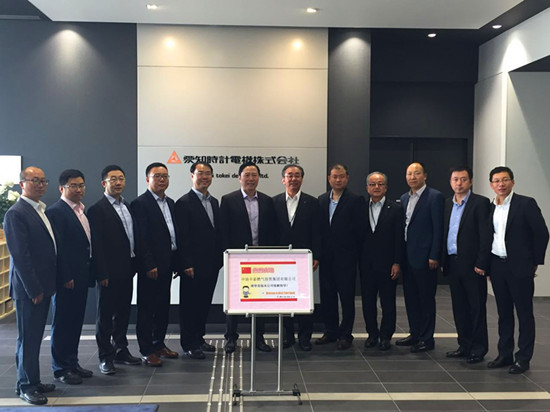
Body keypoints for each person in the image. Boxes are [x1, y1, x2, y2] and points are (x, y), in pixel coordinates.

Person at [486, 166, 549, 374]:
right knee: (503, 313)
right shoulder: (490, 207)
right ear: (491, 185)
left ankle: (523, 358)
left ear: (512, 182)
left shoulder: (525, 203)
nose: (501, 184)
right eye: (496, 181)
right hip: (497, 265)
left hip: (520, 267)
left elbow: (541, 233)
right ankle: (504, 354)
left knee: (524, 313)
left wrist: (534, 262)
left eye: (505, 180)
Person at [3, 167, 57, 405]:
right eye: (35, 180)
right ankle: (26, 386)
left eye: (43, 181)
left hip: (42, 286)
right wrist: (33, 288)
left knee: (34, 337)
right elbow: (21, 256)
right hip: (29, 290)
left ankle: (32, 380)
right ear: (22, 184)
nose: (40, 185)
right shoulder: (16, 213)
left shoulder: (39, 209)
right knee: (28, 339)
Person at [87, 165, 141, 375]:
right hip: (108, 273)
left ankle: (121, 350)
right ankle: (105, 356)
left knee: (123, 312)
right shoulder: (97, 209)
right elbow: (97, 245)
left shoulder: (127, 205)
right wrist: (101, 273)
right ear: (104, 183)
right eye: (113, 179)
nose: (118, 183)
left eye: (121, 178)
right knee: (105, 316)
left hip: (127, 269)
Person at [220, 161, 278, 353]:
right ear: (239, 178)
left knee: (260, 299)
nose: (251, 179)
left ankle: (259, 338)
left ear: (258, 178)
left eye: (254, 175)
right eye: (247, 175)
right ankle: (231, 338)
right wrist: (227, 255)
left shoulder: (267, 201)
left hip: (261, 258)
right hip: (236, 258)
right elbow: (224, 231)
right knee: (234, 298)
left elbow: (271, 230)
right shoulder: (228, 200)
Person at [46, 169, 94, 385]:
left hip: (81, 275)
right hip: (67, 278)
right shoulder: (56, 212)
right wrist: (65, 275)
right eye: (73, 186)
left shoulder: (80, 210)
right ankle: (61, 368)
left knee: (75, 322)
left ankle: (72, 362)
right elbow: (58, 248)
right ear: (61, 188)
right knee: (63, 323)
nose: (78, 189)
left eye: (81, 185)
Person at [131, 162, 179, 366]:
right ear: (147, 179)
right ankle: (146, 349)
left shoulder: (171, 203)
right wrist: (148, 264)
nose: (161, 180)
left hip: (168, 263)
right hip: (150, 267)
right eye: (157, 176)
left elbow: (173, 235)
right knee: (147, 308)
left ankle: (158, 344)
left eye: (165, 176)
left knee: (162, 307)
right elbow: (141, 238)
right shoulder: (140, 204)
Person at [442, 167, 491, 364]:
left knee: (476, 307)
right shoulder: (447, 203)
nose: (459, 183)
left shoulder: (480, 203)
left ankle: (478, 348)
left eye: (463, 179)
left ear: (470, 181)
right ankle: (464, 345)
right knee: (459, 307)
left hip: (473, 265)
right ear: (450, 182)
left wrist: (482, 262)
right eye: (455, 179)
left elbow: (485, 235)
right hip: (453, 262)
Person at [175, 161, 223, 359]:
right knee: (189, 306)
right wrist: (185, 263)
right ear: (192, 175)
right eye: (200, 173)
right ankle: (189, 343)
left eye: (208, 173)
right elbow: (182, 237)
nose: (204, 177)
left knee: (204, 304)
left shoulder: (214, 202)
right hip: (192, 266)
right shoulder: (183, 203)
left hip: (211, 264)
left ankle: (199, 338)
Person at [396, 162, 444, 353]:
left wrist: (434, 255)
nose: (412, 177)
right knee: (411, 298)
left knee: (426, 299)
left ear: (425, 176)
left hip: (426, 258)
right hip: (408, 257)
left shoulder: (434, 197)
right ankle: (414, 333)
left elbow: (438, 228)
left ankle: (426, 338)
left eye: (416, 173)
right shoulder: (404, 197)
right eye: (409, 173)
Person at [273, 164, 321, 351]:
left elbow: (317, 231)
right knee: (284, 298)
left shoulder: (312, 202)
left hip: (304, 259)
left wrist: (316, 255)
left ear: (302, 179)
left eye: (297, 175)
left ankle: (304, 337)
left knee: (304, 298)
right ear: (283, 179)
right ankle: (287, 336)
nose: (293, 179)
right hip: (281, 260)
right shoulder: (274, 202)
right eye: (289, 175)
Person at [317, 164, 365, 350]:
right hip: (326, 259)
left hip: (346, 259)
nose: (338, 180)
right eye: (335, 176)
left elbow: (360, 231)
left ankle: (345, 334)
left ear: (347, 178)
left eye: (341, 176)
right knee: (327, 297)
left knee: (346, 298)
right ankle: (330, 331)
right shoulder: (322, 200)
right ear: (329, 178)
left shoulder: (356, 200)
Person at [359, 172, 404, 351]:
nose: (376, 187)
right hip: (366, 264)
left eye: (380, 184)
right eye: (372, 184)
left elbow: (399, 238)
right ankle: (372, 334)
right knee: (368, 301)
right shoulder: (361, 207)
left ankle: (386, 336)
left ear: (386, 187)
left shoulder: (395, 209)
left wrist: (397, 262)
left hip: (388, 264)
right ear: (367, 188)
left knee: (388, 302)